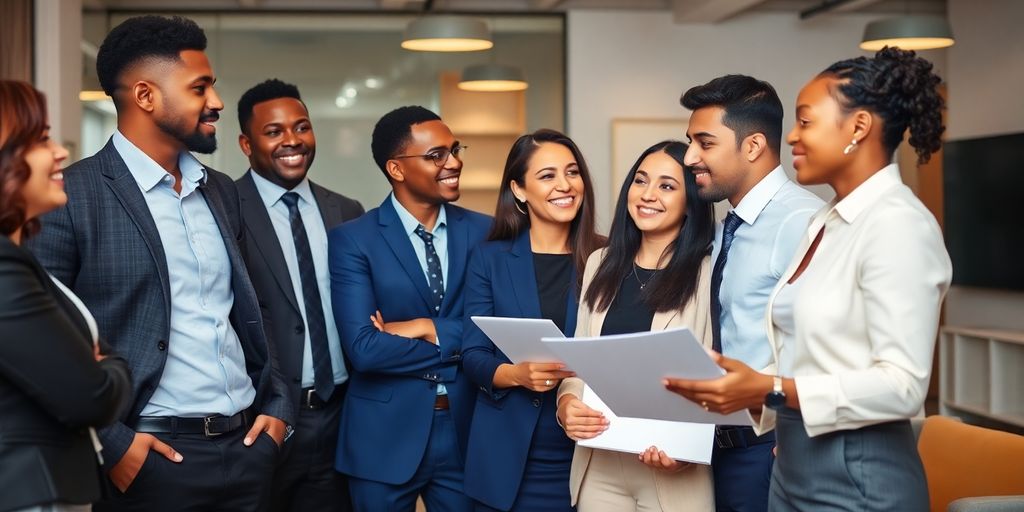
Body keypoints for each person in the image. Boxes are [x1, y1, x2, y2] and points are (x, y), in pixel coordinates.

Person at [665, 47, 952, 511]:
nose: (792, 136)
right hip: (794, 465)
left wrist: (767, 388)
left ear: (858, 128)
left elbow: (903, 388)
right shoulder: (828, 222)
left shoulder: (899, 223)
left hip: (856, 475)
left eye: (806, 121)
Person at [27, 16, 292, 511]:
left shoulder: (220, 191)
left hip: (249, 447)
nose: (215, 102)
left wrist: (277, 408)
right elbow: (44, 346)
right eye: (199, 88)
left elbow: (253, 309)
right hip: (149, 460)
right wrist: (114, 445)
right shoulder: (72, 195)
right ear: (146, 96)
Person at [328, 106, 491, 512]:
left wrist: (422, 327)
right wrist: (459, 341)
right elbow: (364, 349)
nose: (454, 162)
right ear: (396, 169)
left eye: (454, 150)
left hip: (468, 427)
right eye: (437, 155)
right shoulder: (353, 240)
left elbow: (494, 330)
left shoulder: (486, 231)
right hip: (382, 435)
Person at [678, 74, 824, 512]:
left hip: (772, 446)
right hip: (719, 444)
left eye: (704, 143)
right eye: (690, 142)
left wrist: (804, 431)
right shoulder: (728, 226)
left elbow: (835, 338)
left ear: (754, 146)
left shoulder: (804, 222)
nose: (689, 157)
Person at [556, 140, 715, 511]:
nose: (647, 195)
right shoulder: (601, 262)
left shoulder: (707, 271)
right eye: (640, 181)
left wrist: (687, 450)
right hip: (599, 464)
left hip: (671, 466)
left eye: (667, 186)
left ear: (691, 202)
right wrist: (566, 401)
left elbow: (712, 373)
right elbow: (581, 360)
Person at [0, 79, 132, 512]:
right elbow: (87, 397)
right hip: (31, 493)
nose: (60, 151)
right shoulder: (5, 268)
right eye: (40, 140)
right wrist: (112, 367)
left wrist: (97, 364)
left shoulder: (20, 259)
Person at [235, 78, 364, 512]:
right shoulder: (224, 207)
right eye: (274, 132)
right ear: (245, 144)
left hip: (343, 412)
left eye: (301, 127)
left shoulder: (346, 211)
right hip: (265, 417)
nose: (292, 140)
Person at [461, 129, 605, 512]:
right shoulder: (488, 258)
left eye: (572, 173)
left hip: (592, 447)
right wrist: (516, 374)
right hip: (506, 455)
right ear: (519, 189)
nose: (565, 185)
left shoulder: (610, 256)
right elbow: (472, 354)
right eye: (547, 176)